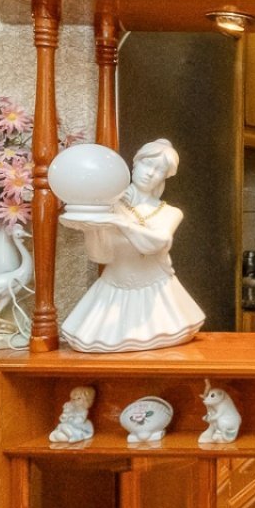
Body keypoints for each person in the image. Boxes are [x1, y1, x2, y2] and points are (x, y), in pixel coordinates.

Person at [60, 138, 206, 352]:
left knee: (161, 333)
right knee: (91, 340)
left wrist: (121, 223)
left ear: (165, 177)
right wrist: (92, 228)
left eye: (159, 170)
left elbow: (157, 242)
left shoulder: (170, 212)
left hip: (156, 293)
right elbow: (100, 256)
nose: (150, 173)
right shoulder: (108, 206)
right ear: (135, 164)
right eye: (147, 164)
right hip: (113, 291)